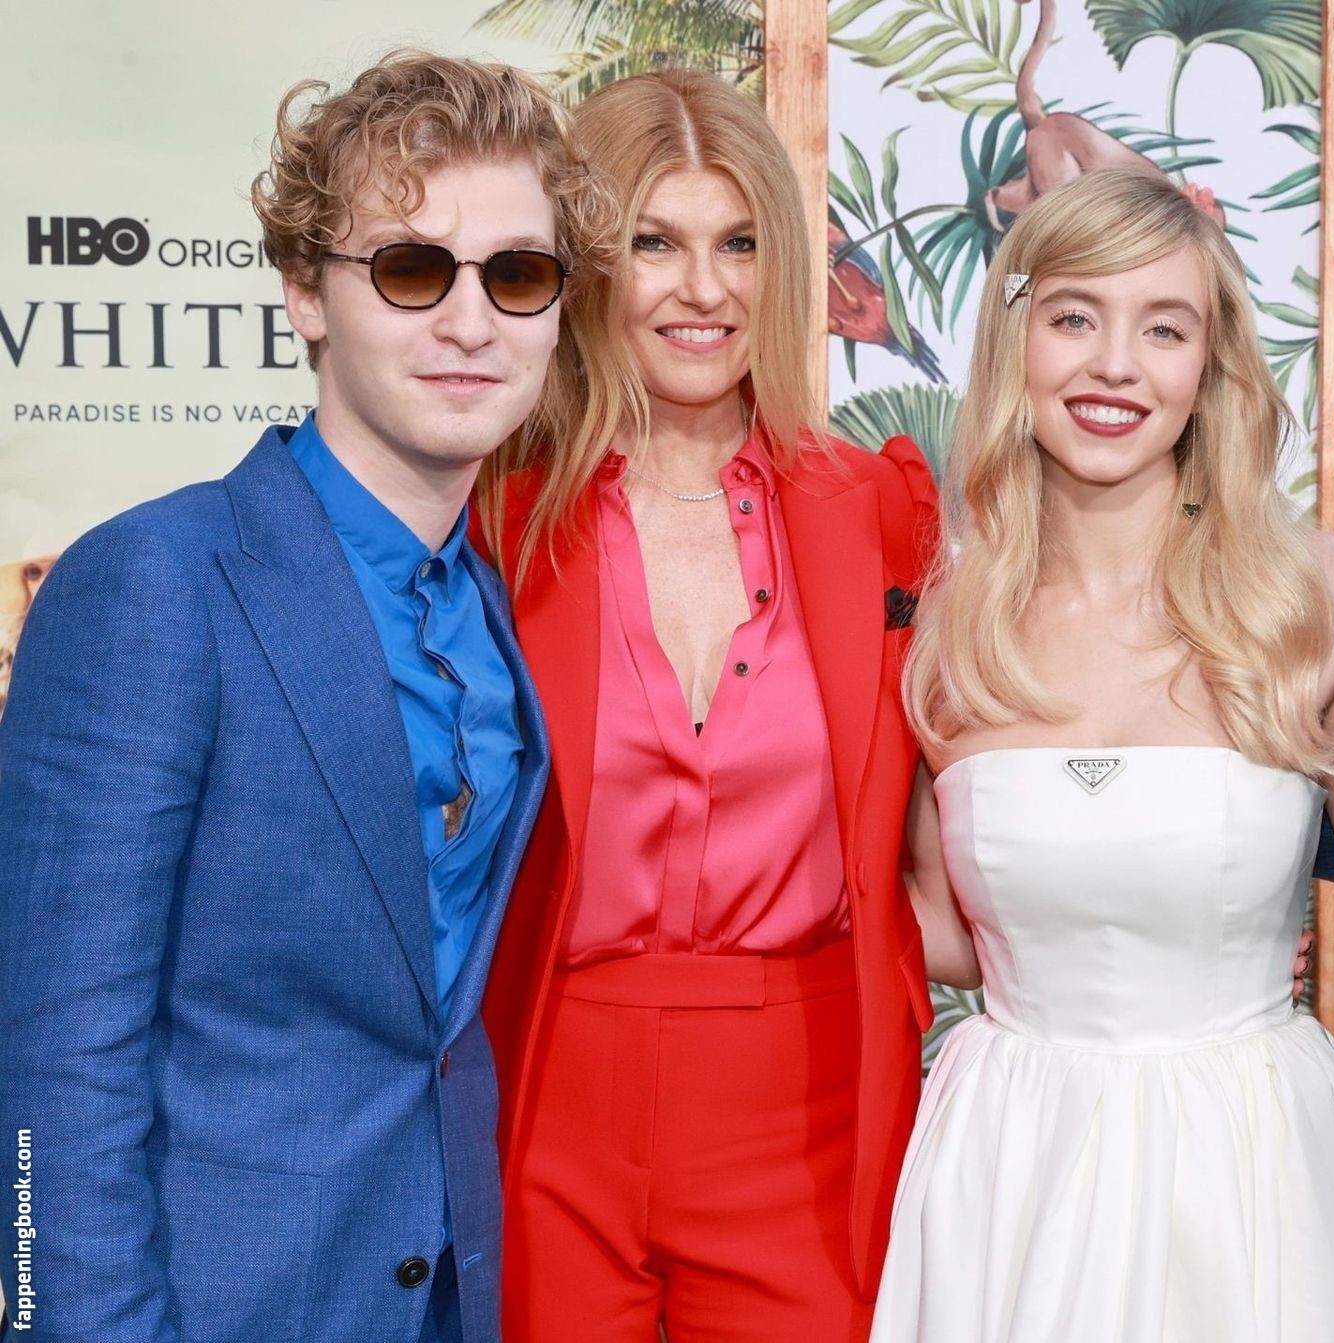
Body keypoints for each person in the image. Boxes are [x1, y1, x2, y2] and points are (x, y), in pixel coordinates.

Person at [0, 51, 617, 1343]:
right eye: (410, 268)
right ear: (304, 293)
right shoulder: (156, 582)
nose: (470, 322)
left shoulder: (497, 607)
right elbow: (56, 1056)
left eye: (516, 274)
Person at [869, 167, 1334, 1342]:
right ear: (1016, 342)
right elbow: (940, 929)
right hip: (1011, 1156)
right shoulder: (945, 626)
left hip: (1254, 1161)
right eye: (1075, 318)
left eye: (1164, 329)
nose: (1116, 365)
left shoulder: (1314, 600)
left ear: (1210, 367)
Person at [474, 70, 938, 1341]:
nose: (705, 289)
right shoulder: (494, 520)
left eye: (738, 243)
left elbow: (955, 815)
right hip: (545, 1098)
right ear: (585, 263)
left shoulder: (877, 510)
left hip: (810, 1117)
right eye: (654, 243)